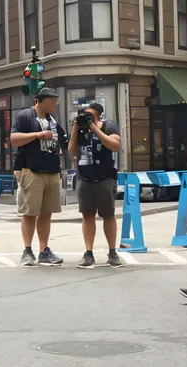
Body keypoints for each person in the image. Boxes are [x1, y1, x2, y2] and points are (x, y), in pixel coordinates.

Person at [10, 87, 66, 267]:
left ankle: (44, 250)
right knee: (29, 213)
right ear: (39, 101)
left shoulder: (53, 120)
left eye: (55, 101)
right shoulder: (25, 116)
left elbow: (62, 141)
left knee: (46, 213)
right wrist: (38, 135)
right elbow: (14, 139)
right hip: (31, 171)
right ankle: (27, 251)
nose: (54, 104)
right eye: (51, 101)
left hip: (51, 170)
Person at [68, 102, 124, 268]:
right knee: (87, 215)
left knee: (108, 215)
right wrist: (75, 131)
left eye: (89, 114)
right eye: (84, 114)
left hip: (105, 177)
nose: (85, 116)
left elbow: (116, 145)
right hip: (84, 178)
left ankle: (112, 252)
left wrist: (94, 128)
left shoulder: (109, 125)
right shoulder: (80, 130)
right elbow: (72, 152)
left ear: (98, 114)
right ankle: (88, 253)